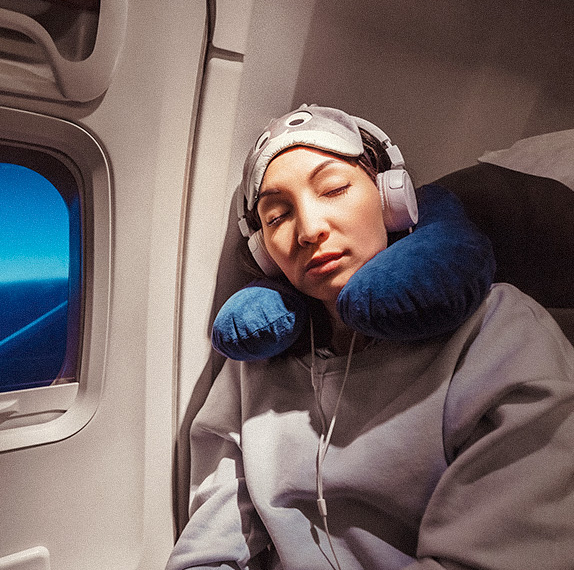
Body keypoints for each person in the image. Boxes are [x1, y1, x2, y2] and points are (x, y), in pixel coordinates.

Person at [167, 105, 574, 570]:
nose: (310, 230)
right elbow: (208, 550)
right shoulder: (253, 365)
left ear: (391, 199)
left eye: (335, 189)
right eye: (277, 216)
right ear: (263, 251)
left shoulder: (500, 331)